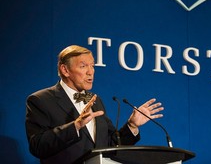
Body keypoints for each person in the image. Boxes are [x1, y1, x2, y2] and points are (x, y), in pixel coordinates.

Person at [25, 45, 164, 164]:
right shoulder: (40, 100)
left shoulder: (95, 101)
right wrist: (76, 126)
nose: (91, 71)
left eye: (92, 65)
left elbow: (110, 145)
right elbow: (37, 146)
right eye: (83, 66)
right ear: (65, 70)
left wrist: (132, 125)